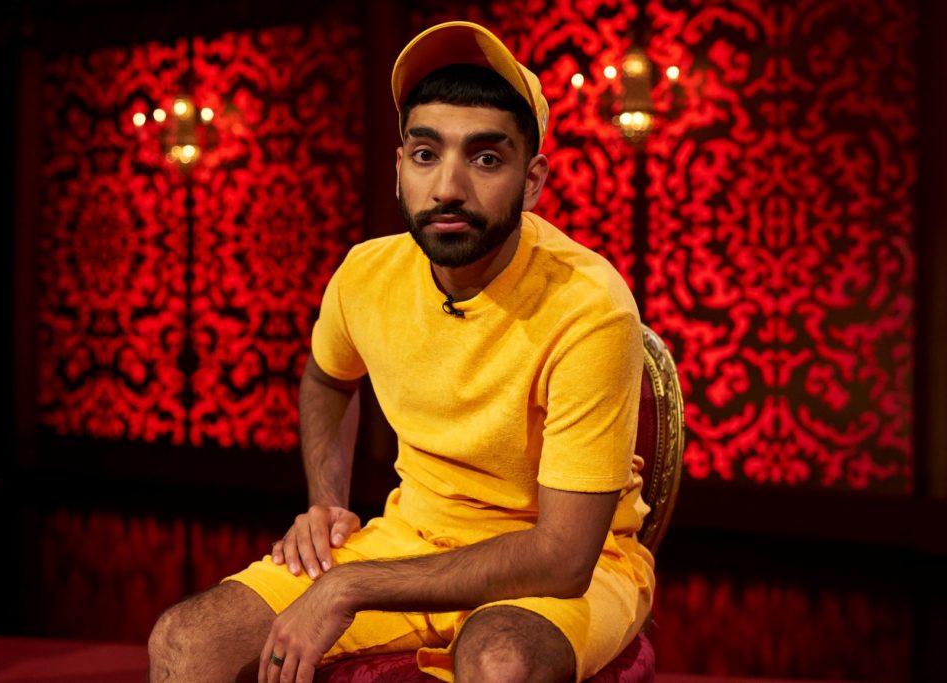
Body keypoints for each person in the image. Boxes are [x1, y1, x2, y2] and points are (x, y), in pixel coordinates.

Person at [148, 20, 653, 683]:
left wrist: (347, 584)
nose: (447, 188)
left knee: (501, 660)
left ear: (532, 182)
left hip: (572, 569)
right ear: (398, 168)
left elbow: (563, 556)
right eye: (425, 154)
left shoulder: (591, 303)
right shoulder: (365, 274)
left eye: (485, 158)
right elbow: (328, 381)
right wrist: (326, 504)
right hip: (412, 536)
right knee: (184, 643)